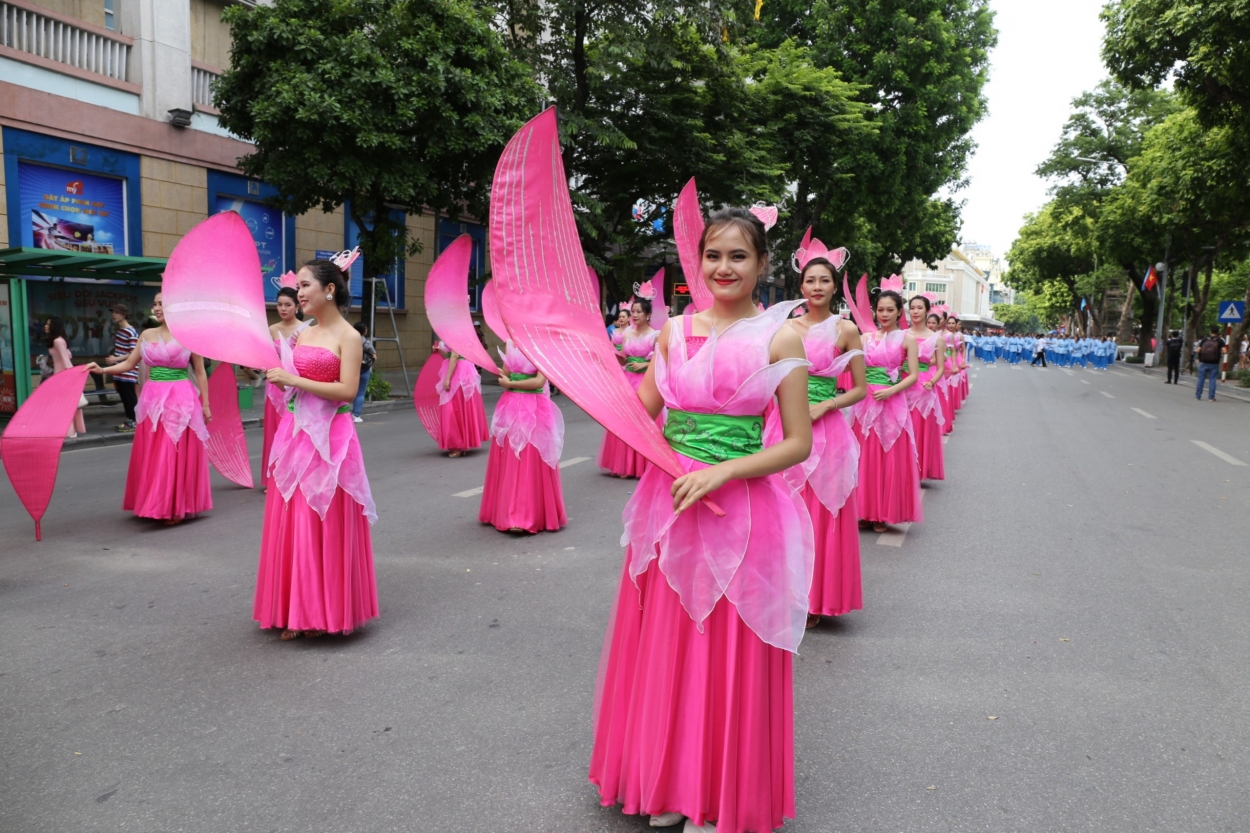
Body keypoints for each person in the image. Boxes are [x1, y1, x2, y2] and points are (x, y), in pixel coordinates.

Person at [590, 208, 812, 833]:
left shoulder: (781, 337)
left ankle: (719, 793)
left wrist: (726, 469)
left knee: (726, 649)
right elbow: (639, 413)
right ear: (698, 263)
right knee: (671, 641)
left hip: (743, 508)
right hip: (670, 506)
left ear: (762, 265)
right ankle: (666, 782)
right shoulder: (673, 331)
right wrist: (590, 380)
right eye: (713, 255)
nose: (724, 268)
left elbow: (797, 443)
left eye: (739, 257)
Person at [255, 257, 379, 640]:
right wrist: (280, 379)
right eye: (299, 286)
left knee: (322, 517)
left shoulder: (349, 337)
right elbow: (294, 389)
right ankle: (293, 606)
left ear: (329, 289)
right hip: (296, 434)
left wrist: (293, 377)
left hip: (332, 438)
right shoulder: (303, 333)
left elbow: (346, 391)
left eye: (306, 285)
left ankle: (321, 610)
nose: (299, 293)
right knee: (293, 516)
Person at [778, 244, 867, 628]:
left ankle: (816, 598)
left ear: (834, 287)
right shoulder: (784, 328)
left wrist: (826, 406)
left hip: (827, 431)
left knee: (820, 511)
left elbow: (859, 389)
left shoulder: (846, 329)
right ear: (801, 285)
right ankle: (781, 591)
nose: (816, 286)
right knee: (782, 509)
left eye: (824, 281)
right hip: (781, 425)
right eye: (810, 280)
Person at [87, 293, 212, 524]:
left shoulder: (189, 335)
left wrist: (205, 404)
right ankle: (154, 502)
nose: (156, 307)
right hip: (152, 399)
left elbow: (201, 371)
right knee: (155, 452)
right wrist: (102, 370)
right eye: (154, 303)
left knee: (172, 452)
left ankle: (174, 506)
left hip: (181, 398)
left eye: (161, 303)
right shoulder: (146, 334)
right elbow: (128, 364)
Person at [479, 340, 566, 533]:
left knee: (528, 459)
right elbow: (506, 373)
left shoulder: (541, 344)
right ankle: (505, 511)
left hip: (535, 408)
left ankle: (524, 516)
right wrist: (501, 376)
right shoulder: (510, 344)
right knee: (510, 459)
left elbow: (539, 381)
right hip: (510, 405)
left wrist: (510, 383)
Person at [853, 286, 922, 533]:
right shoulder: (864, 338)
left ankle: (882, 513)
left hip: (892, 403)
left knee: (888, 457)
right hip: (866, 403)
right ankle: (865, 511)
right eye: (880, 309)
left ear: (899, 312)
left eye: (889, 310)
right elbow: (854, 368)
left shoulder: (907, 339)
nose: (884, 314)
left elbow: (913, 375)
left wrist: (891, 391)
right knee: (865, 456)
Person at [597, 295, 659, 478]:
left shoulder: (655, 335)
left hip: (645, 382)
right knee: (625, 419)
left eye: (639, 312)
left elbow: (661, 359)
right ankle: (624, 464)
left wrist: (645, 365)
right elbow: (624, 357)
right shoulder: (627, 334)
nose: (635, 315)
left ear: (648, 314)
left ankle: (643, 465)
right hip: (627, 379)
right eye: (633, 311)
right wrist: (612, 354)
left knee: (644, 420)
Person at [263, 286, 308, 476]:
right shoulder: (272, 329)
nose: (283, 308)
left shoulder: (306, 330)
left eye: (288, 305)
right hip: (274, 386)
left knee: (293, 432)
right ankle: (274, 477)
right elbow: (265, 356)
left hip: (295, 385)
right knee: (274, 432)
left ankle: (294, 473)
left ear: (297, 306)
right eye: (280, 304)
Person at [907, 300, 946, 482]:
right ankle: (903, 468)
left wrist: (932, 381)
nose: (915, 311)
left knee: (919, 429)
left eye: (919, 308)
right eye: (912, 308)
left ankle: (919, 470)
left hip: (923, 387)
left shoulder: (936, 338)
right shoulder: (901, 335)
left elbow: (940, 367)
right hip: (901, 385)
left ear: (927, 311)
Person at [434, 338, 490, 457]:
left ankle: (458, 445)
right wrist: (440, 350)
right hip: (463, 370)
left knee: (453, 408)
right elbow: (451, 355)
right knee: (461, 406)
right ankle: (463, 443)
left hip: (459, 373)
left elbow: (454, 356)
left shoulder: (454, 333)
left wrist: (447, 378)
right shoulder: (458, 332)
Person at [46, 317, 86, 438]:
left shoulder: (57, 341)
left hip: (62, 376)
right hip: (60, 375)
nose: (45, 326)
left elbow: (66, 360)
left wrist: (71, 377)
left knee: (64, 405)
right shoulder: (58, 340)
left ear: (55, 326)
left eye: (48, 324)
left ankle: (70, 431)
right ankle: (70, 430)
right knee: (65, 405)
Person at [101, 304, 139, 431]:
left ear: (124, 314)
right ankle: (130, 420)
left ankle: (134, 421)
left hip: (128, 371)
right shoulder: (121, 330)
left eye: (116, 312)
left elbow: (134, 353)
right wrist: (115, 360)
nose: (114, 314)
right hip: (120, 370)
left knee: (129, 397)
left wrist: (115, 359)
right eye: (113, 312)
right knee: (124, 397)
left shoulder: (131, 332)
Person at [352, 321, 376, 423]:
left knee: (346, 390)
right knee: (360, 393)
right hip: (364, 370)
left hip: (351, 369)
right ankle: (356, 415)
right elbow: (374, 356)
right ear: (364, 331)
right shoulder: (367, 343)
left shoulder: (349, 341)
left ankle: (341, 413)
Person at [1195, 326, 1225, 401]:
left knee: (1200, 379)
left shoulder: (1204, 340)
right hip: (1214, 363)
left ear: (1210, 331)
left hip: (1204, 362)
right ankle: (1211, 397)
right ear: (1218, 332)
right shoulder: (1220, 341)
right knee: (1212, 380)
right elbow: (1225, 351)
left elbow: (1198, 350)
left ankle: (1198, 396)